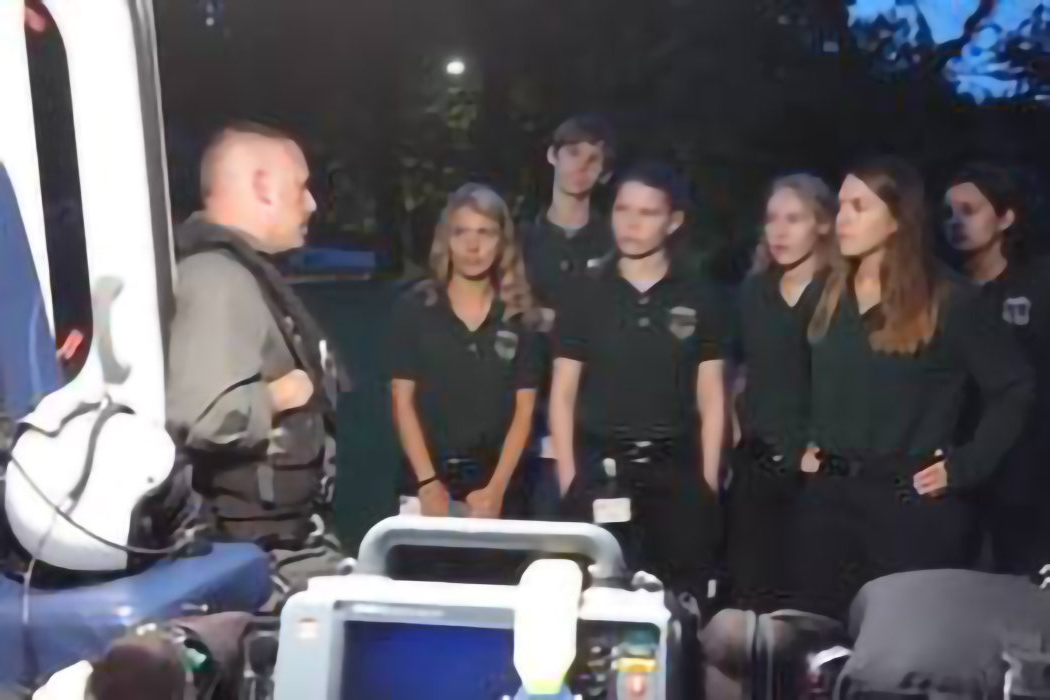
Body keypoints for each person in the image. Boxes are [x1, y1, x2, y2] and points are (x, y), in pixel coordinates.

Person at [788, 156, 1034, 621]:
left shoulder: (951, 300)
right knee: (814, 644)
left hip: (908, 505)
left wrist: (966, 466)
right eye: (840, 206)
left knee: (900, 649)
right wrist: (798, 439)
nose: (843, 219)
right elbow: (785, 375)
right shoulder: (824, 292)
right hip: (828, 498)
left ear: (898, 217)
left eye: (859, 207)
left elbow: (1015, 388)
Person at [166, 122, 350, 609]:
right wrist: (284, 394)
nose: (311, 203)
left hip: (277, 551)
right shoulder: (216, 279)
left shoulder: (241, 275)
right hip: (251, 563)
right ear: (263, 186)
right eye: (301, 186)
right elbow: (204, 416)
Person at [549, 162, 727, 611]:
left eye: (647, 212)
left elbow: (713, 398)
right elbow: (563, 393)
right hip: (601, 471)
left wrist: (706, 484)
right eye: (623, 209)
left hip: (675, 474)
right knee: (598, 607)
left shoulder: (700, 295)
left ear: (674, 221)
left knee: (677, 609)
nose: (631, 222)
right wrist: (571, 479)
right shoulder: (584, 291)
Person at [388, 184, 540, 582]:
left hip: (497, 484)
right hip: (425, 478)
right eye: (462, 232)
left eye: (485, 233)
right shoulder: (416, 308)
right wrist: (428, 483)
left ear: (501, 243)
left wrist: (496, 490)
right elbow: (402, 402)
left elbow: (524, 413)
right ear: (446, 240)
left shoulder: (520, 318)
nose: (473, 246)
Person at [725, 174, 837, 614]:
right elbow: (735, 368)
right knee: (752, 595)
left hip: (816, 470)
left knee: (809, 601)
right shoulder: (752, 292)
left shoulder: (839, 293)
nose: (780, 231)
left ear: (823, 224)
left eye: (794, 219)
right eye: (772, 219)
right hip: (755, 464)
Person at [944, 163, 1050, 575]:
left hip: (1030, 467)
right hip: (957, 462)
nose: (955, 222)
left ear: (1005, 217)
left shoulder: (1039, 282)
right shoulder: (940, 289)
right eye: (948, 213)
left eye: (969, 210)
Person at [520, 114, 616, 516]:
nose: (582, 166)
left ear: (605, 174)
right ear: (552, 156)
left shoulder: (616, 241)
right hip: (528, 405)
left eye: (594, 159)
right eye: (573, 153)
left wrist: (552, 318)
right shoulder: (520, 239)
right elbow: (510, 312)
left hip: (597, 411)